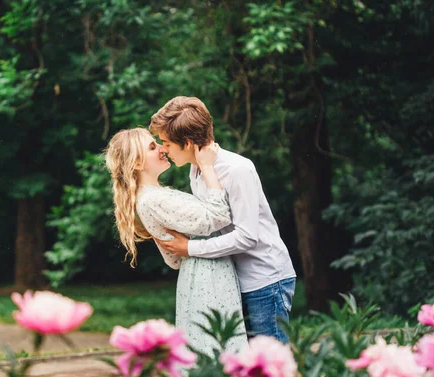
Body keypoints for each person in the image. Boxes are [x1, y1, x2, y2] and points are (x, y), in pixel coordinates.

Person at [151, 96, 297, 343]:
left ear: (187, 143)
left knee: (270, 365)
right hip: (236, 279)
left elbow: (247, 237)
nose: (163, 149)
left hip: (265, 280)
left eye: (165, 143)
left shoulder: (237, 170)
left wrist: (190, 248)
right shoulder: (196, 169)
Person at [105, 127, 247, 355]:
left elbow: (174, 259)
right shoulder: (155, 199)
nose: (162, 148)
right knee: (219, 349)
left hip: (197, 274)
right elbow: (218, 217)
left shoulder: (152, 196)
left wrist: (187, 247)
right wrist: (207, 167)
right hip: (208, 277)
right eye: (152, 147)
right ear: (138, 164)